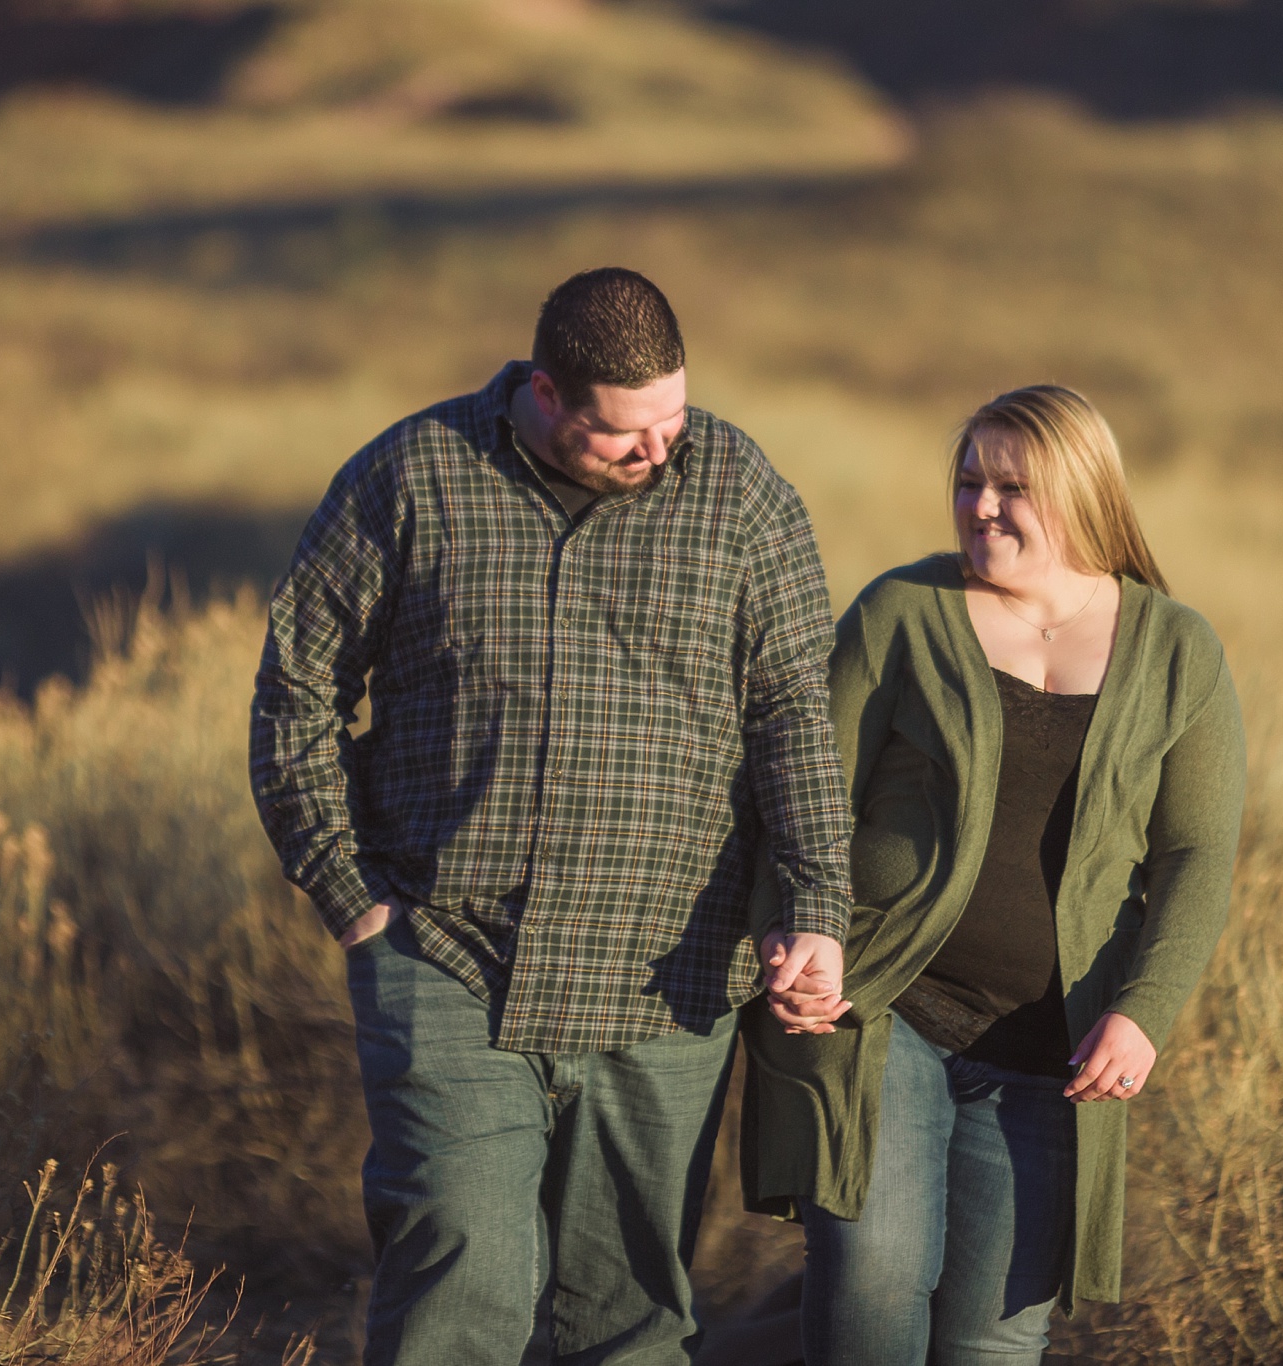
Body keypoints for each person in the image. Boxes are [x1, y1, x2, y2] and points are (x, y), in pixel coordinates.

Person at [249, 267, 854, 1366]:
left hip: (666, 979)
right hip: (446, 959)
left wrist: (814, 905)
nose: (659, 453)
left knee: (627, 1320)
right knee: (458, 1274)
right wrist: (350, 896)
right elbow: (297, 691)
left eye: (672, 420)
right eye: (624, 434)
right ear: (544, 391)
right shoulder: (412, 476)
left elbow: (794, 718)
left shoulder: (742, 494)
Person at [744, 384, 1246, 1366]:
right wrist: (794, 930)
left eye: (1009, 486)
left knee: (993, 1333)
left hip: (1056, 1054)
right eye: (967, 479)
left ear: (1082, 493)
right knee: (871, 1289)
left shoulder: (1177, 650)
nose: (978, 504)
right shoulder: (903, 611)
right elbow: (802, 793)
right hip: (885, 1012)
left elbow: (1196, 854)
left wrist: (1142, 1010)